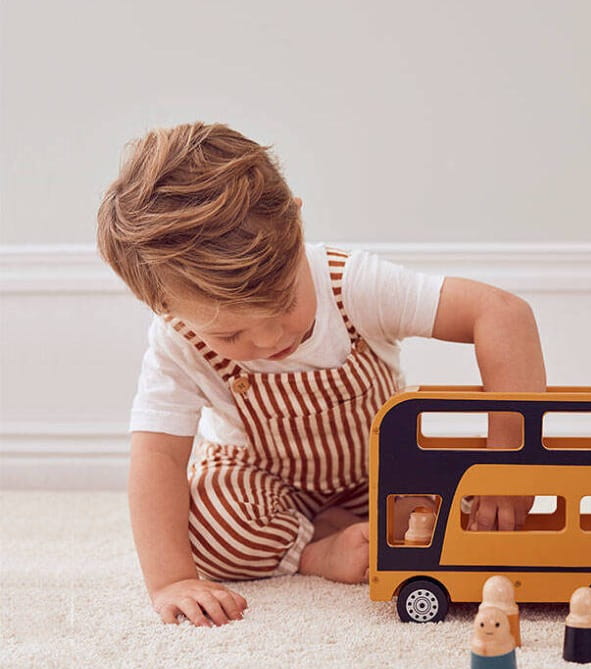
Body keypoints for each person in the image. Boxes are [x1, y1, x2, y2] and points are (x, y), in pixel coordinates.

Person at [96, 122, 547, 627]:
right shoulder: (177, 338)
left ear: (296, 224)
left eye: (284, 302)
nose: (270, 340)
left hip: (374, 477)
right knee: (207, 515)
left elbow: (502, 314)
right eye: (232, 335)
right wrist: (172, 580)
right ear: (164, 307)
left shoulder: (350, 285)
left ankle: (345, 526)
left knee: (446, 517)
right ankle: (315, 550)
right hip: (261, 487)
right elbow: (158, 453)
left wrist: (508, 464)